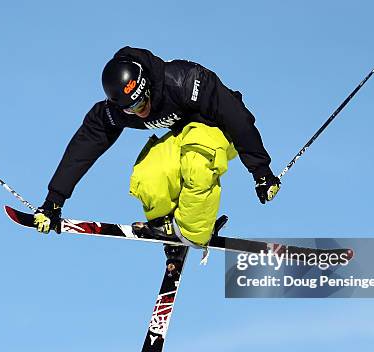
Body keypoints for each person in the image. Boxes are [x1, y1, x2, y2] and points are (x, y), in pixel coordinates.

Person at [33, 46, 281, 248]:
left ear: (147, 85)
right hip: (183, 134)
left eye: (143, 101)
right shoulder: (116, 112)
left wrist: (261, 172)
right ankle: (165, 227)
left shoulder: (185, 81)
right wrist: (54, 199)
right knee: (149, 174)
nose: (142, 111)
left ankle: (192, 233)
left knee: (196, 161)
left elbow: (236, 117)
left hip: (221, 129)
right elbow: (84, 146)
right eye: (132, 109)